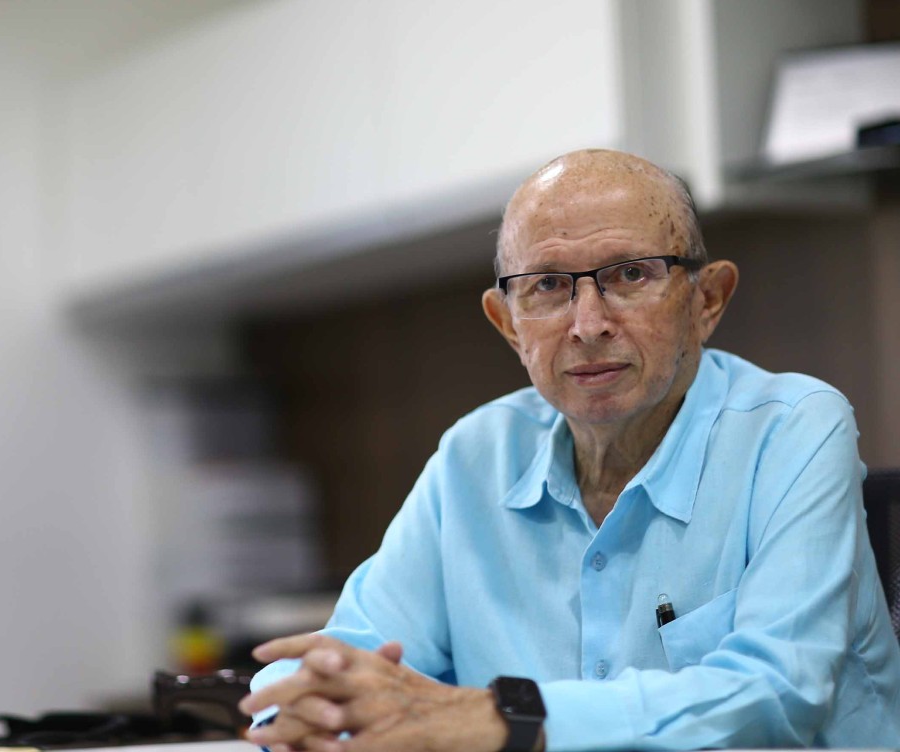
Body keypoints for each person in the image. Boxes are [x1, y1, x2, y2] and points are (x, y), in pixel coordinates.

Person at [238, 149, 900, 751]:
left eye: (631, 274)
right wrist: (299, 710)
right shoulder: (475, 456)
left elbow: (777, 694)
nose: (588, 325)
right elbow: (347, 654)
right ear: (508, 323)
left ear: (706, 300)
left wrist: (504, 716)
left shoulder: (795, 431)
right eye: (548, 286)